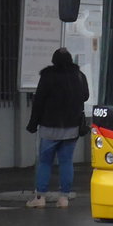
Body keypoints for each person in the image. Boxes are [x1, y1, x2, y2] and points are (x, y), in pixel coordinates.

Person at [25, 47, 90, 208]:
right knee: (66, 162)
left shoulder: (48, 76)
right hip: (71, 127)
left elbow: (38, 102)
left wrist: (33, 124)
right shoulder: (79, 76)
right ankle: (64, 198)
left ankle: (40, 198)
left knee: (45, 162)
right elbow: (85, 96)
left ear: (54, 61)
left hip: (49, 128)